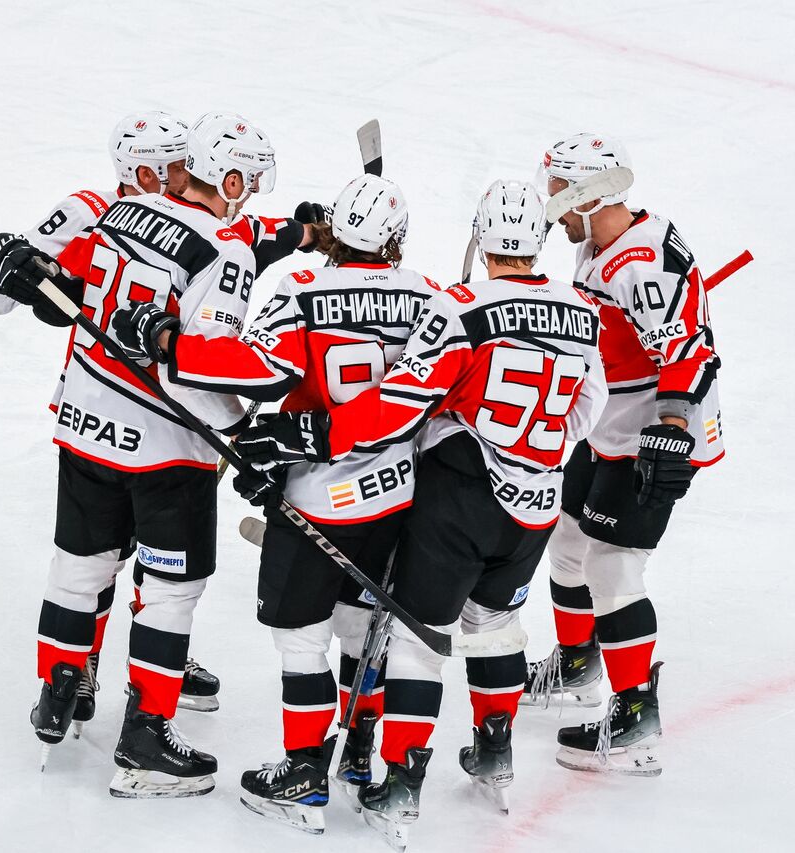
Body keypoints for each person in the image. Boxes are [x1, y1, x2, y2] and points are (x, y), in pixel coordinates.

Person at [234, 180, 606, 844]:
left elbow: (400, 403)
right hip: (536, 506)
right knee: (496, 624)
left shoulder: (460, 306)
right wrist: (533, 449)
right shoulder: (582, 311)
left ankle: (401, 782)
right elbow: (586, 410)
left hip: (458, 499)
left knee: (415, 637)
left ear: (481, 237)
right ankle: (494, 751)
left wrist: (310, 435)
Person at [112, 174, 439, 833]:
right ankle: (358, 754)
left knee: (301, 638)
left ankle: (303, 773)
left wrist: (168, 341)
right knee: (363, 628)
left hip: (318, 495)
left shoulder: (302, 289)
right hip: (396, 494)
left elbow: (256, 368)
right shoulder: (430, 295)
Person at [0, 111, 277, 797]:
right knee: (171, 591)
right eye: (251, 181)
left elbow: (71, 294)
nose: (252, 196)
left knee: (78, 570)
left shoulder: (119, 214)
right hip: (166, 453)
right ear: (230, 180)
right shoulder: (223, 250)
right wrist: (243, 436)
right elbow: (197, 370)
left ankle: (58, 693)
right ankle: (144, 737)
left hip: (84, 428)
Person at [523, 133, 724, 777]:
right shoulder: (599, 244)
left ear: (590, 192)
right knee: (566, 538)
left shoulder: (641, 262)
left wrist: (670, 431)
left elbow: (690, 356)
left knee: (612, 566)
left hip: (650, 436)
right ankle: (578, 664)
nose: (552, 203)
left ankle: (636, 717)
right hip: (608, 428)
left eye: (560, 190)